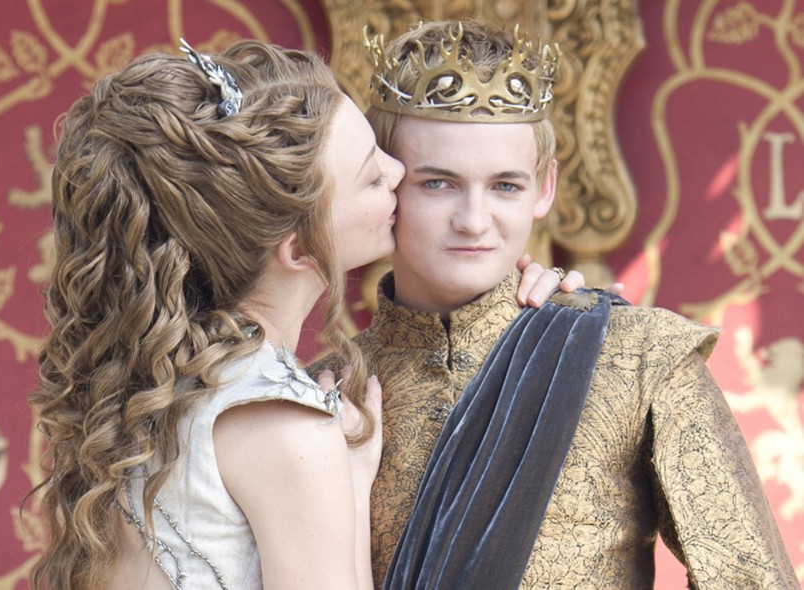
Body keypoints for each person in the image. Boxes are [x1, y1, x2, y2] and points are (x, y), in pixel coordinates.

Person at [27, 38, 578, 590]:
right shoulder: (290, 429)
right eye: (372, 176)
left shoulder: (159, 385)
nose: (398, 172)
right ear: (300, 248)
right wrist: (345, 491)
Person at [314, 19, 797, 589]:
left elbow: (753, 581)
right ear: (386, 184)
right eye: (437, 183)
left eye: (505, 186)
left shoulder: (640, 358)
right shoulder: (327, 390)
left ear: (544, 187)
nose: (474, 221)